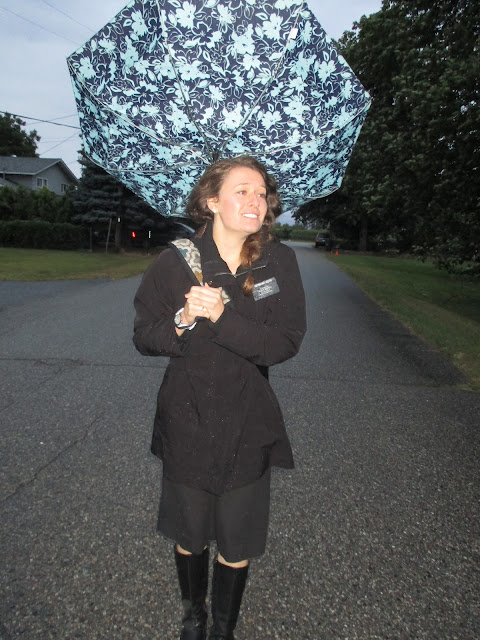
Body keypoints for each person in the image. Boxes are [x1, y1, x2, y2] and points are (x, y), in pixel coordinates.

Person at [133, 156, 306, 640]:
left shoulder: (277, 261)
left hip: (249, 421)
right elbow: (144, 337)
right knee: (190, 534)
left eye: (261, 193)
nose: (256, 201)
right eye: (242, 191)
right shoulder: (174, 263)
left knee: (237, 539)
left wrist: (223, 318)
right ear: (212, 201)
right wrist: (183, 319)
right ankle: (194, 616)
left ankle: (223, 629)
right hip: (187, 417)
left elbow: (283, 343)